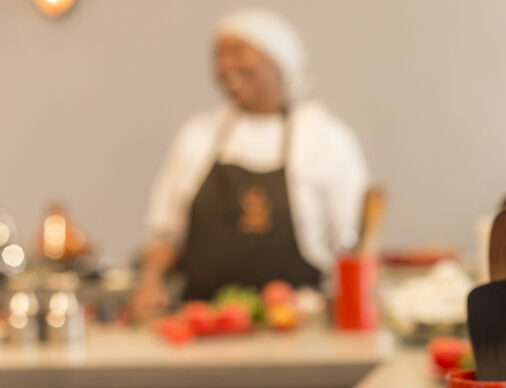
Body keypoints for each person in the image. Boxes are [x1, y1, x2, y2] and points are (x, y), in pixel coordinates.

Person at [131, 7, 369, 317]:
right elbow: (165, 233)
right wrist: (150, 281)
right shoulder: (197, 136)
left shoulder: (327, 140)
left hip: (298, 322)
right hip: (205, 321)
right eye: (217, 56)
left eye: (237, 52)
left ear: (279, 59)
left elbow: (354, 246)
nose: (223, 66)